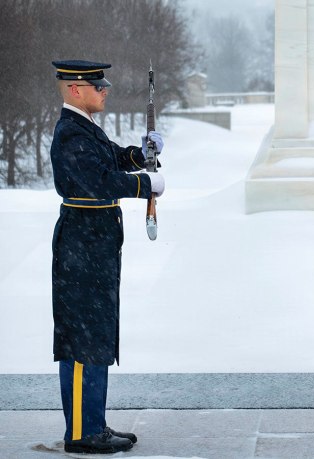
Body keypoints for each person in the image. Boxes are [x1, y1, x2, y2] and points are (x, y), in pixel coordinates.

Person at [50, 60, 165, 454]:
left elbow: (109, 159)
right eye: (99, 87)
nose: (105, 92)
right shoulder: (70, 134)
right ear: (76, 89)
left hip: (93, 244)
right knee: (83, 338)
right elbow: (98, 181)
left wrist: (138, 155)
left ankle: (92, 421)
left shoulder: (84, 129)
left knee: (96, 333)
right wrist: (143, 184)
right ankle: (81, 434)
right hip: (81, 243)